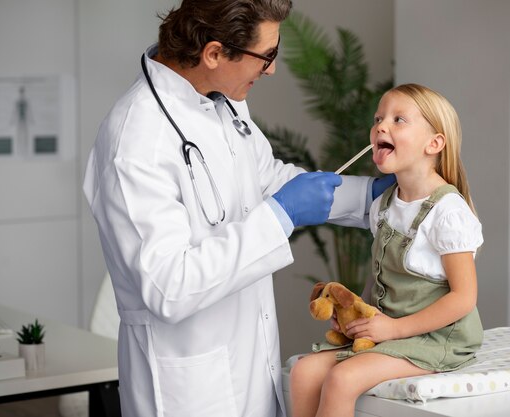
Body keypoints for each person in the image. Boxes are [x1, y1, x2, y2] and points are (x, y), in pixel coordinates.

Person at [82, 1, 394, 416]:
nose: (271, 70)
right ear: (213, 53)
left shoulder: (221, 100)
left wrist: (373, 197)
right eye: (267, 56)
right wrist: (281, 215)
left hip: (249, 361)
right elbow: (168, 286)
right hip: (189, 390)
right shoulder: (135, 142)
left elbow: (263, 178)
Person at [289, 83, 484, 417]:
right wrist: (360, 316)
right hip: (390, 329)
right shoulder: (383, 204)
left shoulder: (448, 212)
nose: (381, 126)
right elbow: (379, 274)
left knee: (343, 379)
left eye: (398, 120)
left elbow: (464, 298)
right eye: (379, 119)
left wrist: (392, 329)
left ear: (434, 143)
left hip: (436, 338)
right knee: (303, 372)